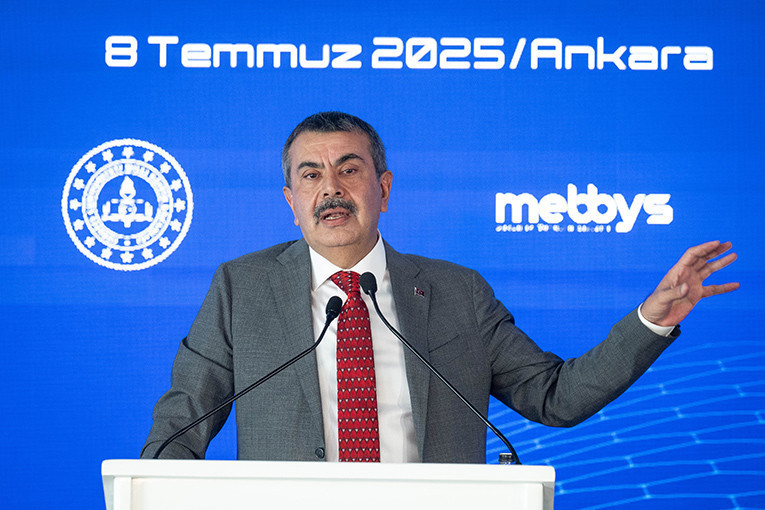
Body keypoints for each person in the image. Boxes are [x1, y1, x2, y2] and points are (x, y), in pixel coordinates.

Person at [141, 111, 738, 463]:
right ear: (291, 202)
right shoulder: (241, 288)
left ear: (384, 188)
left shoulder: (458, 293)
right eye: (311, 174)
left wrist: (653, 318)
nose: (331, 189)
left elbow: (554, 397)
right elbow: (181, 425)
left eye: (350, 169)